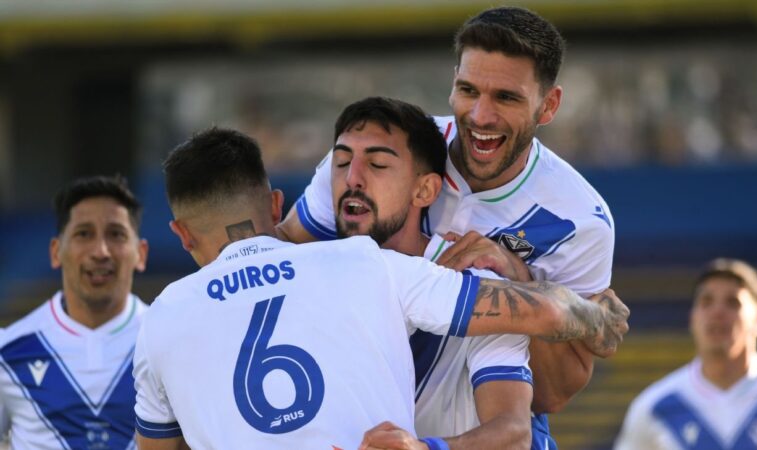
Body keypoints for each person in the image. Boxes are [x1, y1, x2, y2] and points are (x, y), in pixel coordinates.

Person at [132, 127, 629, 450]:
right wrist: (598, 319)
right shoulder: (362, 263)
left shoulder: (159, 320)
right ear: (276, 204)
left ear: (181, 234)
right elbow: (545, 313)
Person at [277, 6, 615, 448]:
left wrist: (519, 280)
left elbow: (554, 393)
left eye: (506, 98)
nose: (481, 116)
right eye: (468, 90)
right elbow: (281, 251)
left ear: (548, 105)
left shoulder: (580, 221)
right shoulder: (381, 151)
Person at [333, 96, 534, 449]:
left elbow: (514, 433)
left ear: (425, 190)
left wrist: (427, 448)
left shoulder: (480, 287)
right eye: (342, 162)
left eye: (377, 164)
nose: (353, 178)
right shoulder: (308, 279)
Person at [0, 175, 149, 449]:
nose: (101, 251)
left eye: (116, 234)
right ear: (56, 251)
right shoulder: (8, 351)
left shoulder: (170, 340)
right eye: (84, 233)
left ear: (141, 253)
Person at [614, 258, 757, 450]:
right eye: (706, 302)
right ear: (692, 318)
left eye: (733, 303)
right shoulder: (654, 408)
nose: (717, 312)